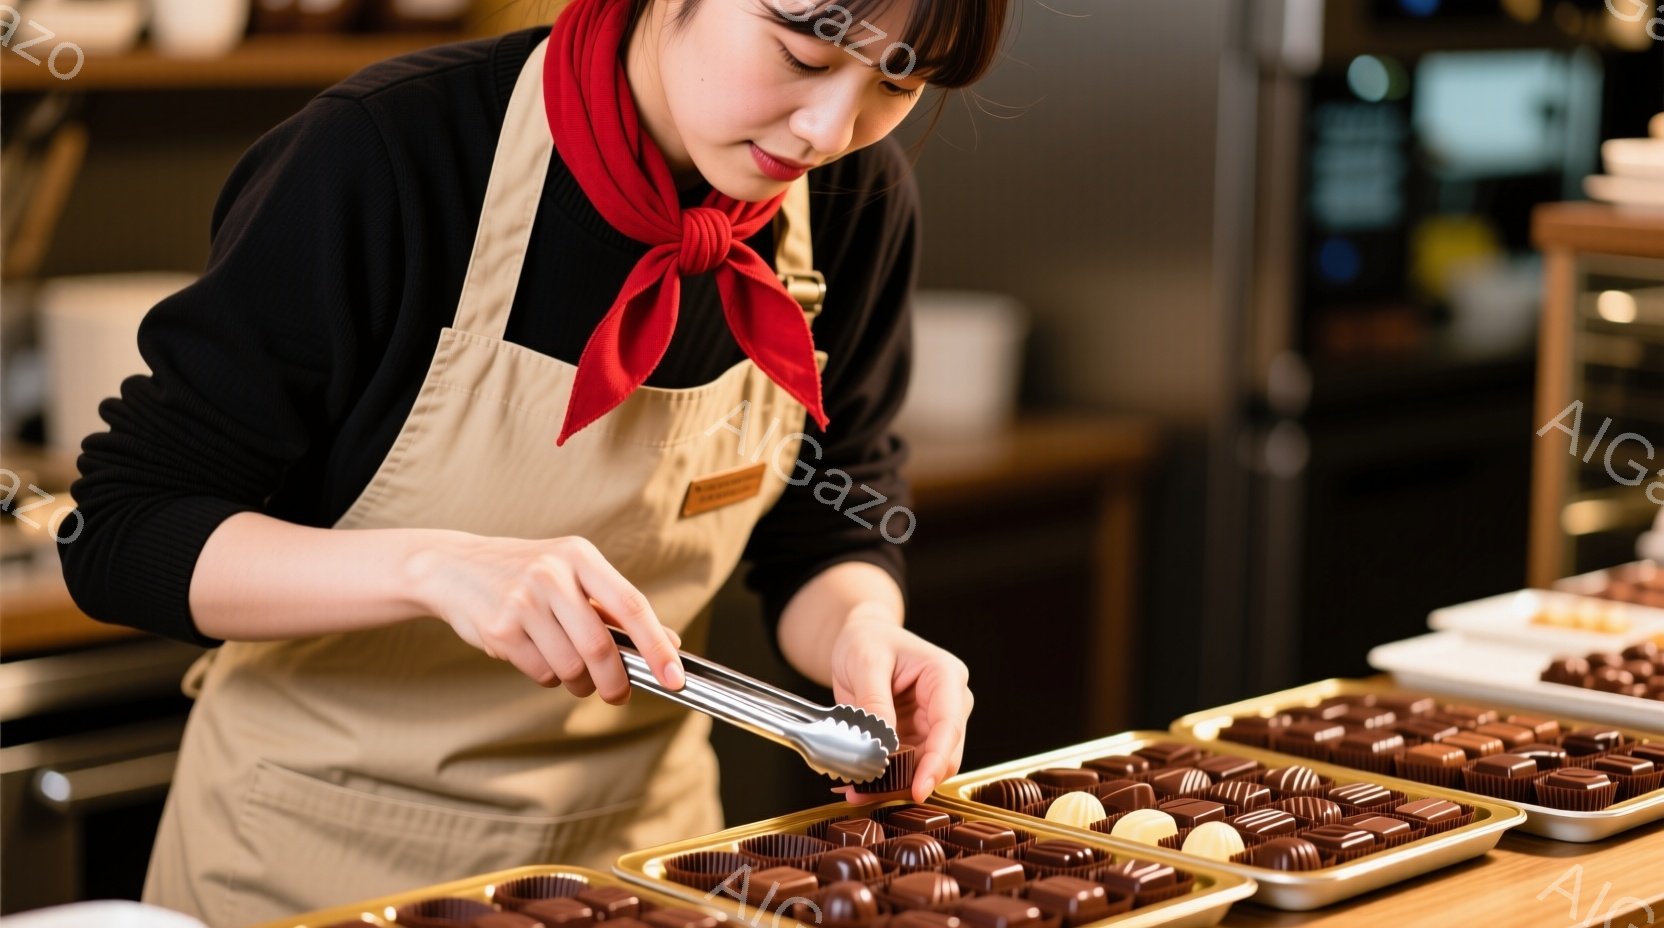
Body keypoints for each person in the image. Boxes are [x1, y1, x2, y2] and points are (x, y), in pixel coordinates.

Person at [60, 0, 1011, 923]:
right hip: (314, 863)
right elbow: (121, 529)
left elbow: (827, 520)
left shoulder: (854, 197)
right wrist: (432, 568)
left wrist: (861, 628)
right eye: (803, 55)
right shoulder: (388, 151)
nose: (827, 127)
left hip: (643, 867)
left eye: (898, 79)